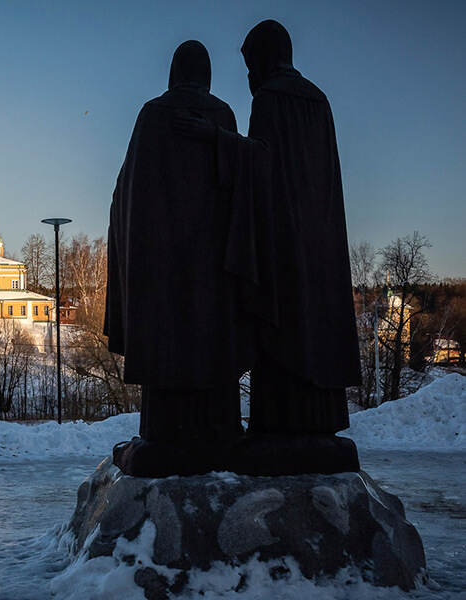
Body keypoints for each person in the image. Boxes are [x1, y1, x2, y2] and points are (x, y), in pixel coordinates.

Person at [175, 20, 361, 475]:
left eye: (248, 65)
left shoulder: (271, 97)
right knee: (314, 322)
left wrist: (215, 138)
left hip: (283, 237)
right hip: (319, 235)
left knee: (284, 323)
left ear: (262, 57)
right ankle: (320, 421)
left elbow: (262, 161)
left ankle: (280, 423)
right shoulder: (318, 100)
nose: (248, 77)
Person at [105, 40, 253, 477]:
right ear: (206, 74)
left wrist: (135, 246)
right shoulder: (222, 115)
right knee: (213, 343)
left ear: (173, 72)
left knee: (167, 346)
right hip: (213, 265)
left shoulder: (153, 115)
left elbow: (125, 194)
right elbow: (241, 182)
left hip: (162, 267)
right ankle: (219, 427)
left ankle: (165, 433)